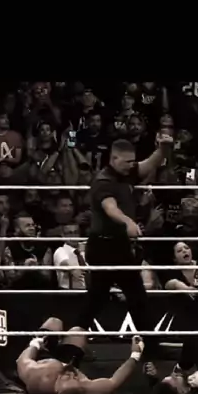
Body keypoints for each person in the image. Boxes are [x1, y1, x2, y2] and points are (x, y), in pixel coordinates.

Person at [75, 138, 165, 361]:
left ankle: (152, 347)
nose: (131, 165)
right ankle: (72, 343)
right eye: (127, 162)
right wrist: (128, 222)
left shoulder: (126, 171)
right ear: (114, 159)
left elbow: (147, 165)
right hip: (103, 246)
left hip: (118, 245)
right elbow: (110, 207)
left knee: (133, 297)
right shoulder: (103, 181)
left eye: (132, 161)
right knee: (100, 299)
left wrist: (163, 149)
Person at [16, 316, 145, 394]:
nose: (72, 374)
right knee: (78, 331)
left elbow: (22, 360)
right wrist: (136, 354)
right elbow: (114, 381)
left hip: (43, 356)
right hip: (68, 360)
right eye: (75, 378)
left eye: (67, 378)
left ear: (57, 385)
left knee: (54, 322)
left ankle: (51, 341)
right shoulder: (86, 387)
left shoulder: (39, 378)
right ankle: (71, 346)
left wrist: (36, 343)